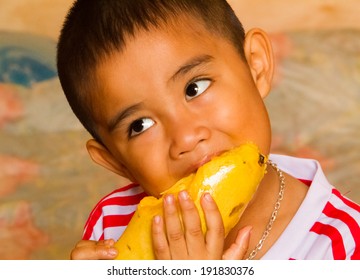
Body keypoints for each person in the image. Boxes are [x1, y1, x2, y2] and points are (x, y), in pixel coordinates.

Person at [56, 0, 360, 260]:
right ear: (116, 161)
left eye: (195, 88)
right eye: (140, 125)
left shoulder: (343, 246)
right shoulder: (111, 226)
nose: (186, 137)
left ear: (256, 66)